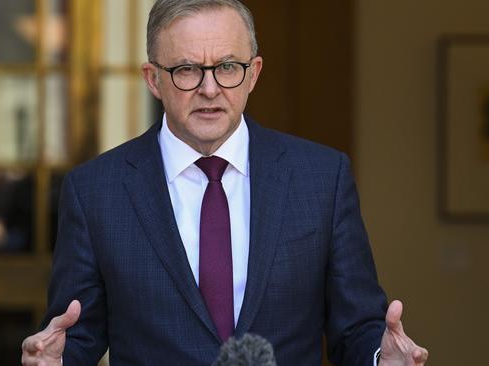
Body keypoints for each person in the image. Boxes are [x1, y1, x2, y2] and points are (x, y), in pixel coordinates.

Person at [21, 0, 429, 365]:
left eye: (228, 67)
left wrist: (381, 359)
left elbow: (355, 327)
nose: (210, 89)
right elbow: (75, 337)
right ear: (153, 79)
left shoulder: (322, 178)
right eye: (187, 70)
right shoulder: (95, 192)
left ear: (254, 73)